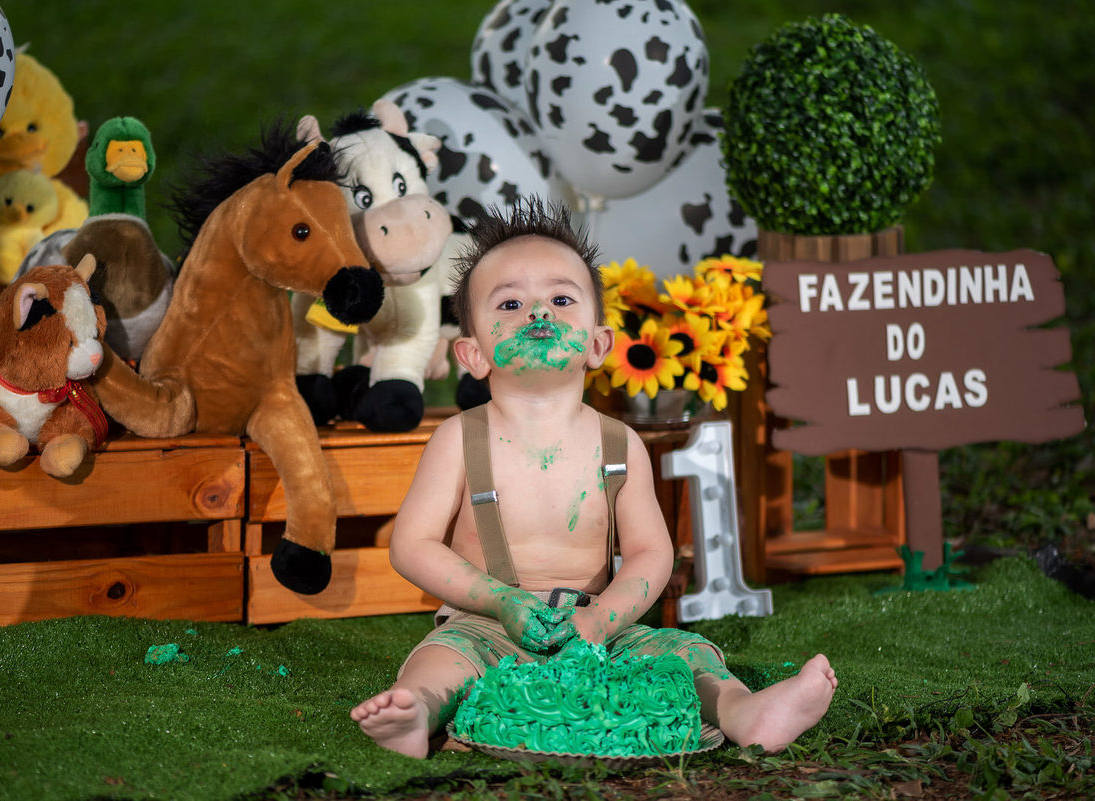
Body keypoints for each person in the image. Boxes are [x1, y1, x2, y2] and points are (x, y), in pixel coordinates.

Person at [350, 199, 836, 758]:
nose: (538, 313)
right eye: (511, 302)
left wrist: (605, 618)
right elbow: (411, 546)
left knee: (683, 654)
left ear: (599, 344)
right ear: (473, 354)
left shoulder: (619, 445)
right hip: (486, 626)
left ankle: (743, 708)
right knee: (441, 661)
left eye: (560, 299)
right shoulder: (460, 440)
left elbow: (653, 553)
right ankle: (415, 713)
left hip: (598, 625)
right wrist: (501, 601)